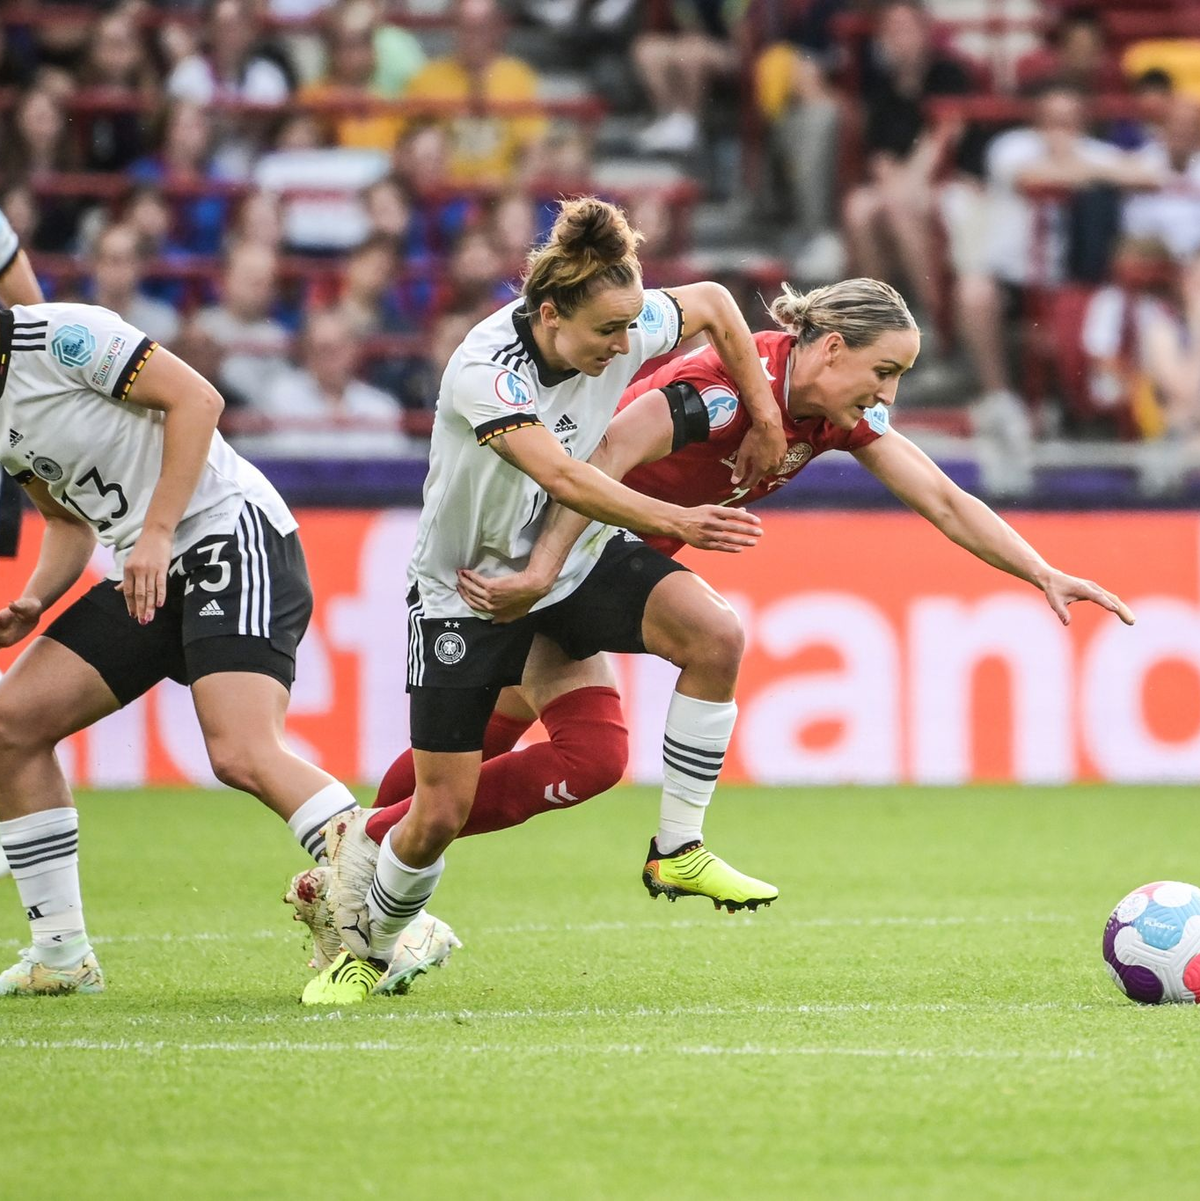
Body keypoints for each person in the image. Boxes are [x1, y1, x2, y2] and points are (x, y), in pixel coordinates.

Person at [294, 277, 1136, 996]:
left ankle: (359, 853)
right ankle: (665, 846)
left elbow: (945, 498)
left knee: (561, 755)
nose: (888, 396)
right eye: (884, 372)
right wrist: (547, 571)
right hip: (558, 549)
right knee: (707, 639)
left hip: (586, 569)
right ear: (830, 347)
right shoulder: (727, 390)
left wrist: (1042, 572)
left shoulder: (833, 414)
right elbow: (605, 452)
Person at [298, 196, 787, 1003]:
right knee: (442, 810)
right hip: (470, 590)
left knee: (708, 641)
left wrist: (763, 413)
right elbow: (564, 476)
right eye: (608, 334)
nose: (625, 347)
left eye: (632, 327)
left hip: (573, 566)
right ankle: (366, 943)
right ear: (550, 313)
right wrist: (678, 520)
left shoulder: (618, 316)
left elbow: (713, 305)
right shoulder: (484, 369)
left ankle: (681, 846)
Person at [0, 301, 368, 996]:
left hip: (230, 534)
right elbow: (66, 522)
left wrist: (158, 529)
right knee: (12, 722)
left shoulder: (58, 337)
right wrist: (35, 600)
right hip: (153, 568)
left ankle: (391, 916)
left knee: (241, 750)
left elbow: (198, 399)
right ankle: (60, 954)